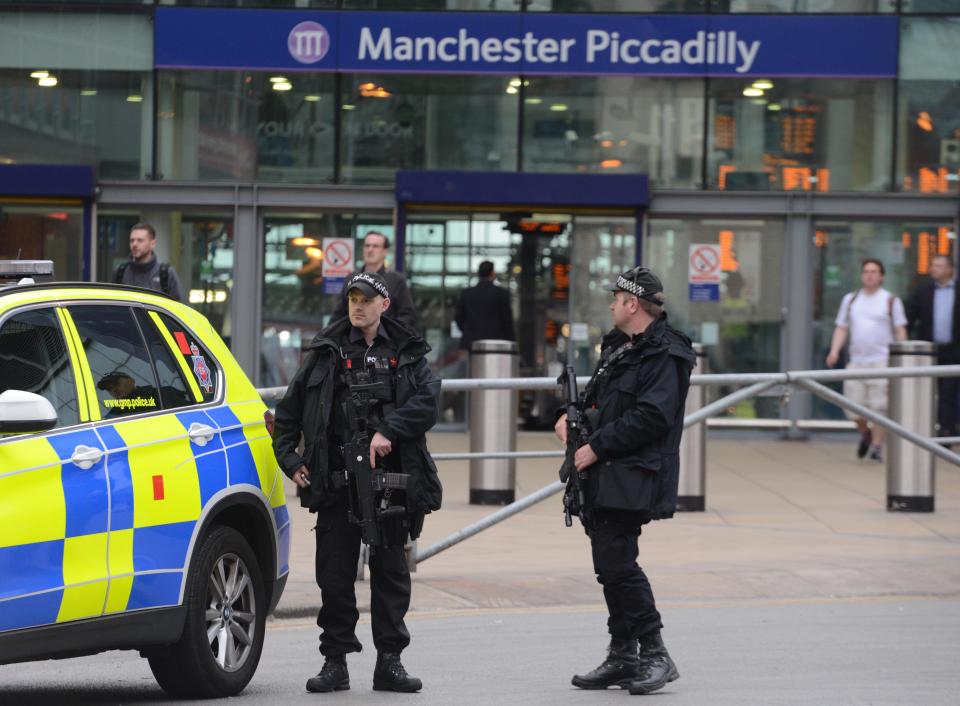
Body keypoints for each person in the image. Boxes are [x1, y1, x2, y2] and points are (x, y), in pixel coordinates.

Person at [272, 271, 441, 694]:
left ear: (384, 304)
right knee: (334, 574)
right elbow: (288, 413)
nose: (358, 305)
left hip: (388, 484)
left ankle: (390, 661)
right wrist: (292, 462)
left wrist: (390, 431)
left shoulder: (406, 351)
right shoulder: (326, 352)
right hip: (334, 480)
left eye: (367, 299)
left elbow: (429, 400)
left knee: (390, 574)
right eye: (352, 298)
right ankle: (335, 661)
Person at [554, 266, 695, 696]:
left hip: (632, 472)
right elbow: (606, 402)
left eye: (616, 297)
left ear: (633, 303)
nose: (611, 303)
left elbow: (653, 415)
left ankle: (655, 652)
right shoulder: (620, 347)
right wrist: (574, 419)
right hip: (603, 471)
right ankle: (622, 654)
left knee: (618, 563)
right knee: (607, 565)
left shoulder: (666, 352)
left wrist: (599, 446)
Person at [826, 259, 908, 463]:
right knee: (853, 407)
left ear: (882, 276)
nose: (870, 275)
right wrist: (834, 350)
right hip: (857, 361)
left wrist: (903, 355)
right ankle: (866, 433)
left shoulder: (890, 300)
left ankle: (877, 447)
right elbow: (842, 327)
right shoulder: (851, 300)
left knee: (879, 407)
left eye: (874, 271)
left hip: (882, 362)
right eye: (866, 271)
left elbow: (900, 329)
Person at [906, 254, 960, 439]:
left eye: (938, 265)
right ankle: (924, 430)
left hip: (953, 351)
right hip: (928, 351)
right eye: (932, 265)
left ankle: (945, 431)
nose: (933, 269)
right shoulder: (924, 291)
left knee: (948, 393)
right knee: (926, 392)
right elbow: (910, 317)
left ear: (949, 269)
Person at [331, 231, 417, 330]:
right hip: (353, 340)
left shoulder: (397, 280)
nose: (370, 250)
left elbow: (408, 316)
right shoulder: (351, 278)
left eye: (375, 246)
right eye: (367, 246)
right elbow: (338, 315)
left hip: (386, 342)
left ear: (385, 251)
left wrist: (389, 333)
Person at [114, 222, 184, 302]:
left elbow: (180, 307)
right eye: (132, 240)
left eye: (140, 240)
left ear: (153, 244)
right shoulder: (120, 272)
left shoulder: (166, 274)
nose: (134, 244)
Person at [454, 260, 514, 352]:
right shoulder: (502, 294)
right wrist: (510, 340)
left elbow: (459, 318)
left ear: (478, 274)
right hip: (496, 341)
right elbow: (507, 321)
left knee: (473, 365)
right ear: (493, 274)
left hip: (472, 341)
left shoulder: (467, 294)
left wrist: (468, 331)